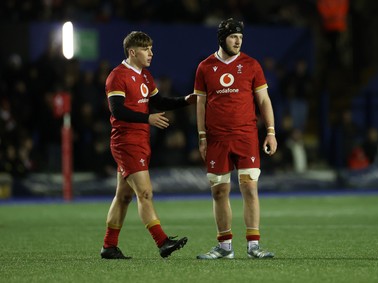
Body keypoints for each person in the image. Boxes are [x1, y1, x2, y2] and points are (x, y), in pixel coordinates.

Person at [101, 31, 195, 259]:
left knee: (123, 196)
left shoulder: (145, 76)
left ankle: (109, 246)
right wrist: (148, 119)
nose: (151, 53)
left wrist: (185, 100)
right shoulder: (117, 76)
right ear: (132, 52)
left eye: (151, 49)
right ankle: (162, 242)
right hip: (126, 141)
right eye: (146, 49)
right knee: (145, 192)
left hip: (140, 141)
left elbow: (158, 101)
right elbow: (117, 110)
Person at [193, 18, 277, 259]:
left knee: (250, 188)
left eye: (240, 36)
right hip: (217, 138)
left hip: (246, 136)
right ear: (222, 39)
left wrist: (270, 132)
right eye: (233, 36)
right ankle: (225, 246)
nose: (238, 40)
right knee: (219, 191)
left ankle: (253, 246)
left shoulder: (251, 65)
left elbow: (263, 100)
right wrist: (202, 136)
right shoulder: (205, 67)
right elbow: (200, 104)